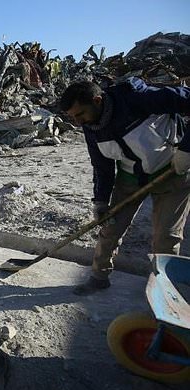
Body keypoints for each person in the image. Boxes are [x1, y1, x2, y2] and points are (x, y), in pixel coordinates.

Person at [60, 78, 190, 295]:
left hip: (173, 171)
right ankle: (99, 277)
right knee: (110, 228)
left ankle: (164, 292)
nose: (78, 122)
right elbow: (102, 166)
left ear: (97, 100)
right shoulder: (91, 127)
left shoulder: (137, 98)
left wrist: (187, 149)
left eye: (80, 114)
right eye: (72, 118)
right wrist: (100, 200)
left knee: (165, 238)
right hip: (131, 177)